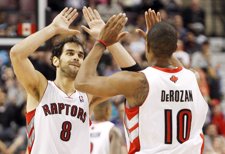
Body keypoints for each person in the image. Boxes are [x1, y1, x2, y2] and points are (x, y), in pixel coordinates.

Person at [75, 8, 209, 154]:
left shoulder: (139, 83)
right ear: (176, 48)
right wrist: (160, 37)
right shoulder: (194, 78)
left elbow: (82, 82)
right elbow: (172, 71)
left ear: (147, 47)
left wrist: (102, 42)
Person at [10, 7, 137, 154]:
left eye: (80, 55)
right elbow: (16, 54)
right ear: (56, 61)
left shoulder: (88, 95)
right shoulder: (40, 87)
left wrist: (109, 41)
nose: (76, 57)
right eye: (70, 53)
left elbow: (133, 79)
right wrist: (53, 28)